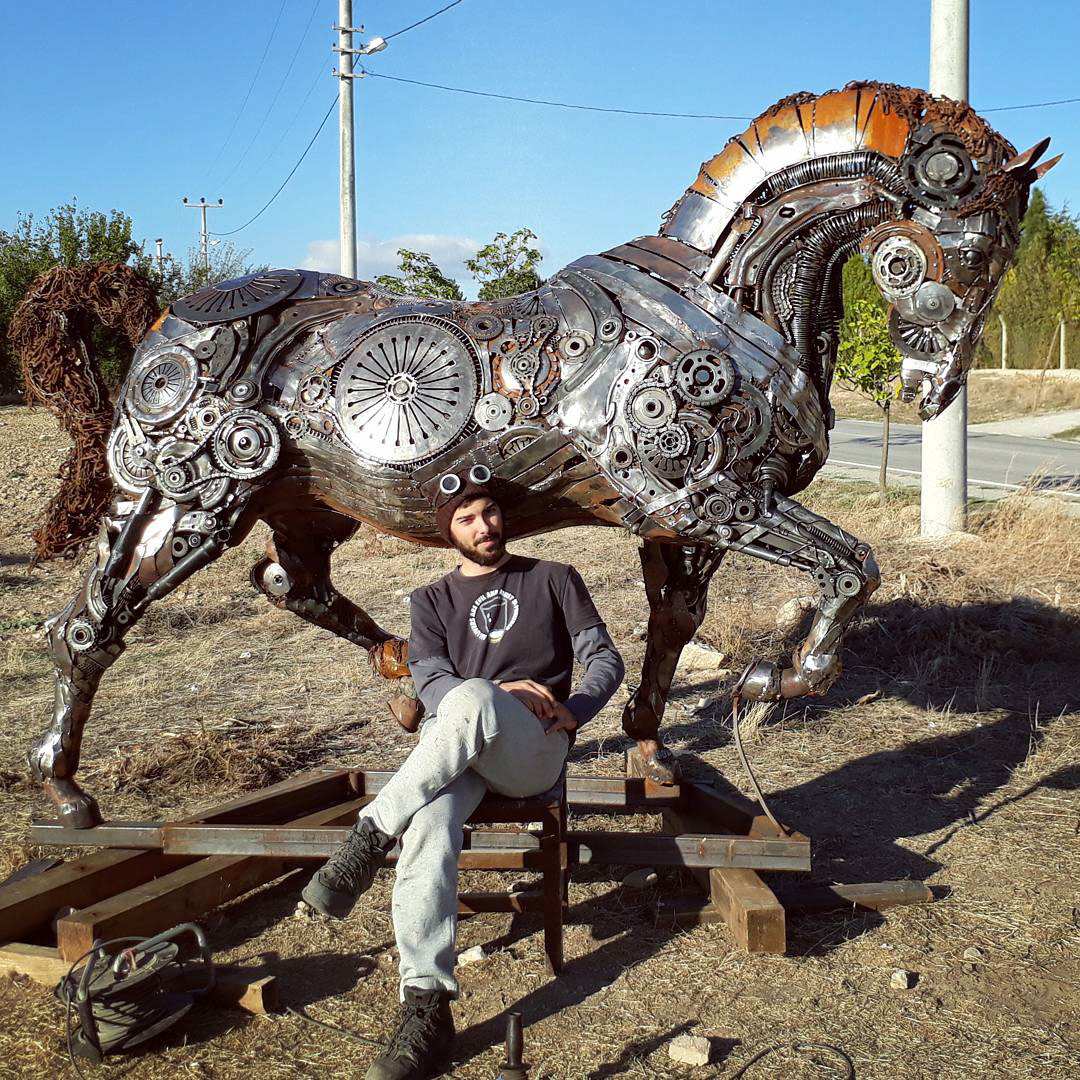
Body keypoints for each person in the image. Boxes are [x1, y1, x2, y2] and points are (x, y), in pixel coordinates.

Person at [301, 474, 625, 1080]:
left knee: (473, 699)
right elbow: (428, 683)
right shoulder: (431, 600)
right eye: (468, 518)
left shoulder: (554, 578)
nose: (486, 526)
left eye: (492, 512)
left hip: (532, 751)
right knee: (428, 821)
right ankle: (427, 1008)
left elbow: (605, 657)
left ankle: (368, 837)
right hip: (459, 753)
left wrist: (573, 710)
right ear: (447, 532)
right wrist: (492, 692)